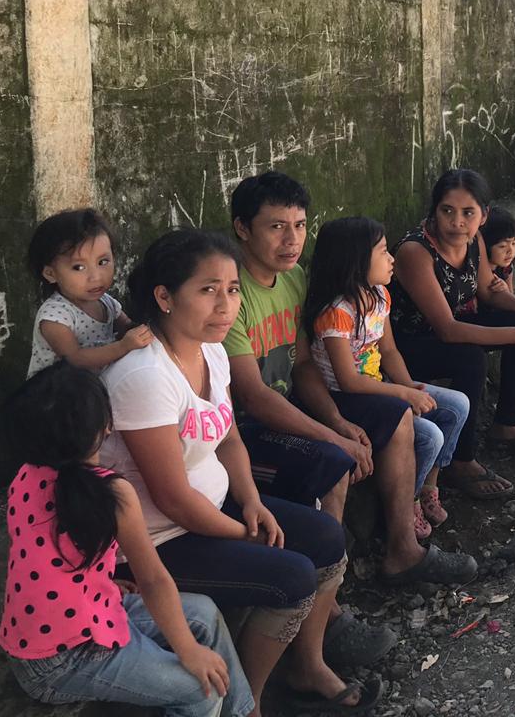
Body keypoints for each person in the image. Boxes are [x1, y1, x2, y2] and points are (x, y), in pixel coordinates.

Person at [102, 229, 380, 714]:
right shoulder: (143, 376)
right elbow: (171, 499)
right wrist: (242, 533)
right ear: (164, 297)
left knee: (324, 539)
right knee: (291, 576)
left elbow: (228, 436)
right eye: (208, 290)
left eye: (232, 289)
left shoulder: (209, 350)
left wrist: (250, 500)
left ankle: (306, 665)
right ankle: (246, 702)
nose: (225, 305)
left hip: (215, 508)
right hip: (157, 539)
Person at [226, 172, 476, 598]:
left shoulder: (294, 280)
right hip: (248, 424)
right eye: (276, 227)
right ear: (242, 229)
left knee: (397, 414)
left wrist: (336, 419)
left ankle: (402, 550)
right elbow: (253, 396)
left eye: (300, 226)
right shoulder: (232, 295)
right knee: (334, 463)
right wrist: (333, 434)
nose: (292, 239)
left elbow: (304, 365)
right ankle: (328, 601)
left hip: (302, 403)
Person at [0, 362, 253, 717]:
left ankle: (243, 712)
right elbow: (152, 579)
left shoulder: (26, 476)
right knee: (202, 690)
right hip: (57, 660)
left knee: (204, 614)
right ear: (107, 427)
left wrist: (97, 581)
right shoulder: (113, 492)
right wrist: (188, 651)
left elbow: (45, 559)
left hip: (90, 609)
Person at [390, 170, 515, 501]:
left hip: (453, 325)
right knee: (470, 358)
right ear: (434, 211)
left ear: (484, 215)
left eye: (468, 213)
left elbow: (490, 294)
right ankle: (461, 461)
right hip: (409, 343)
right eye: (447, 210)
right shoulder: (415, 252)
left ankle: (505, 425)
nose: (457, 222)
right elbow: (447, 329)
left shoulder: (474, 240)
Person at [301, 216, 470, 539]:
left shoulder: (379, 295)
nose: (392, 258)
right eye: (382, 251)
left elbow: (389, 352)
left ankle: (426, 489)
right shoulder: (336, 312)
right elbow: (348, 381)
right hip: (348, 398)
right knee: (429, 436)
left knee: (456, 405)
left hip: (379, 386)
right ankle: (404, 505)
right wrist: (404, 396)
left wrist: (407, 385)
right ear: (355, 261)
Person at [26, 209, 154, 377]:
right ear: (51, 274)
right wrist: (123, 346)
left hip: (94, 388)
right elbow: (75, 359)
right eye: (79, 267)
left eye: (103, 262)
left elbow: (129, 328)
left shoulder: (107, 303)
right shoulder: (55, 317)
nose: (96, 277)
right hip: (57, 395)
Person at [479, 207, 515, 295]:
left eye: (514, 243)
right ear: (485, 246)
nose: (510, 251)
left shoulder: (506, 267)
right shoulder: (476, 271)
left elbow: (511, 297)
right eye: (502, 246)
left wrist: (505, 290)